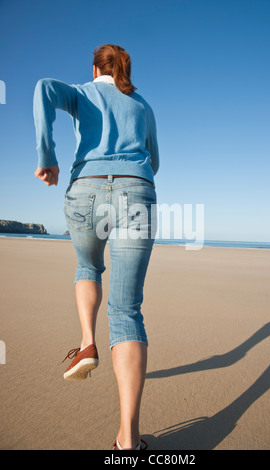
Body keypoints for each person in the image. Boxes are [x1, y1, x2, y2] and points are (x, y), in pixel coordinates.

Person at [33, 44, 159, 451]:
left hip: (86, 190)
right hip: (136, 193)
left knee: (87, 267)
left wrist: (47, 155)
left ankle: (87, 341)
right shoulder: (141, 106)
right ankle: (128, 440)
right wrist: (132, 177)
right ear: (125, 69)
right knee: (127, 311)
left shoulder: (82, 92)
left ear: (94, 68)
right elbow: (153, 160)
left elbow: (42, 90)